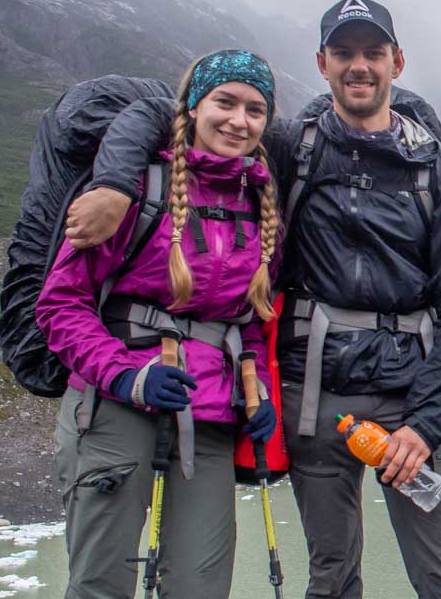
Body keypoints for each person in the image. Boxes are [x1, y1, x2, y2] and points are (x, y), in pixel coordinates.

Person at [67, 0, 441, 599]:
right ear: (323, 63)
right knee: (332, 578)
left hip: (413, 396)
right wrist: (112, 185)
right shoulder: (293, 147)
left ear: (397, 61)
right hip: (315, 396)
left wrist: (424, 426)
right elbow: (166, 114)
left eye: (373, 53)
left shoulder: (440, 176)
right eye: (344, 53)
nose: (359, 66)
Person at [38, 49, 282, 599]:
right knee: (102, 584)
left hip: (212, 416)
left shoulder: (259, 204)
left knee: (200, 586)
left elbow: (242, 321)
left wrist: (256, 392)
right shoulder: (136, 193)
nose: (238, 121)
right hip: (115, 408)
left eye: (255, 109)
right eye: (225, 102)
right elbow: (60, 304)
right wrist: (125, 375)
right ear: (194, 107)